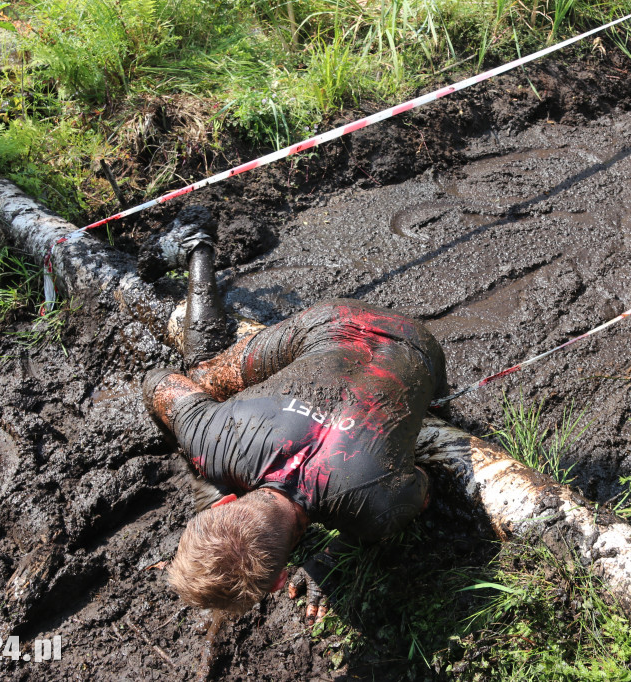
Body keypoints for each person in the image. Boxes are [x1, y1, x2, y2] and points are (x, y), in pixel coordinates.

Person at [139, 211, 447, 621]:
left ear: (282, 576)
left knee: (202, 367)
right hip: (343, 319)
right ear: (226, 503)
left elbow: (422, 484)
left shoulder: (379, 509)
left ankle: (197, 245)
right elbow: (158, 383)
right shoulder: (212, 437)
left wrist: (325, 560)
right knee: (200, 380)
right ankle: (195, 247)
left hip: (420, 354)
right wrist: (202, 456)